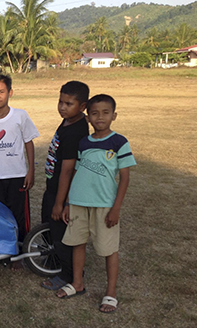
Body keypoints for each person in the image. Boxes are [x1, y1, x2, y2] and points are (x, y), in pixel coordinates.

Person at [56, 94, 135, 314]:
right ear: (88, 117)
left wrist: (116, 208)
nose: (100, 117)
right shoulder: (84, 142)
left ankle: (111, 293)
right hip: (79, 203)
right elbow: (78, 173)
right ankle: (77, 283)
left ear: (114, 115)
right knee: (77, 243)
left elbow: (125, 178)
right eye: (95, 113)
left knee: (109, 249)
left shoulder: (119, 142)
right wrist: (69, 203)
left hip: (104, 206)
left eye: (105, 112)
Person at [39, 81, 90, 292]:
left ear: (82, 106)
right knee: (49, 227)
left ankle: (67, 275)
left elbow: (68, 171)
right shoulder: (68, 122)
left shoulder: (75, 131)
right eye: (60, 101)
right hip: (52, 187)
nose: (62, 107)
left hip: (62, 192)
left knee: (60, 234)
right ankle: (55, 262)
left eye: (69, 103)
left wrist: (61, 203)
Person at [0, 74, 39, 247]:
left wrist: (31, 170)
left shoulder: (20, 116)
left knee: (19, 216)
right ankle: (3, 249)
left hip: (17, 176)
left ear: (10, 92)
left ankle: (21, 251)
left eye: (1, 91)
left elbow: (28, 142)